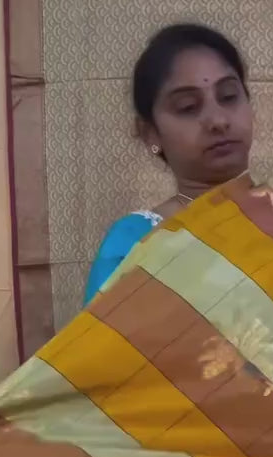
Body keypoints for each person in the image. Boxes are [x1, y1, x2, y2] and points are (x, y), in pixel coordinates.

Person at [83, 23, 254, 305]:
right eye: (188, 107)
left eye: (228, 97)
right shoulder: (133, 245)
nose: (218, 120)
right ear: (150, 133)